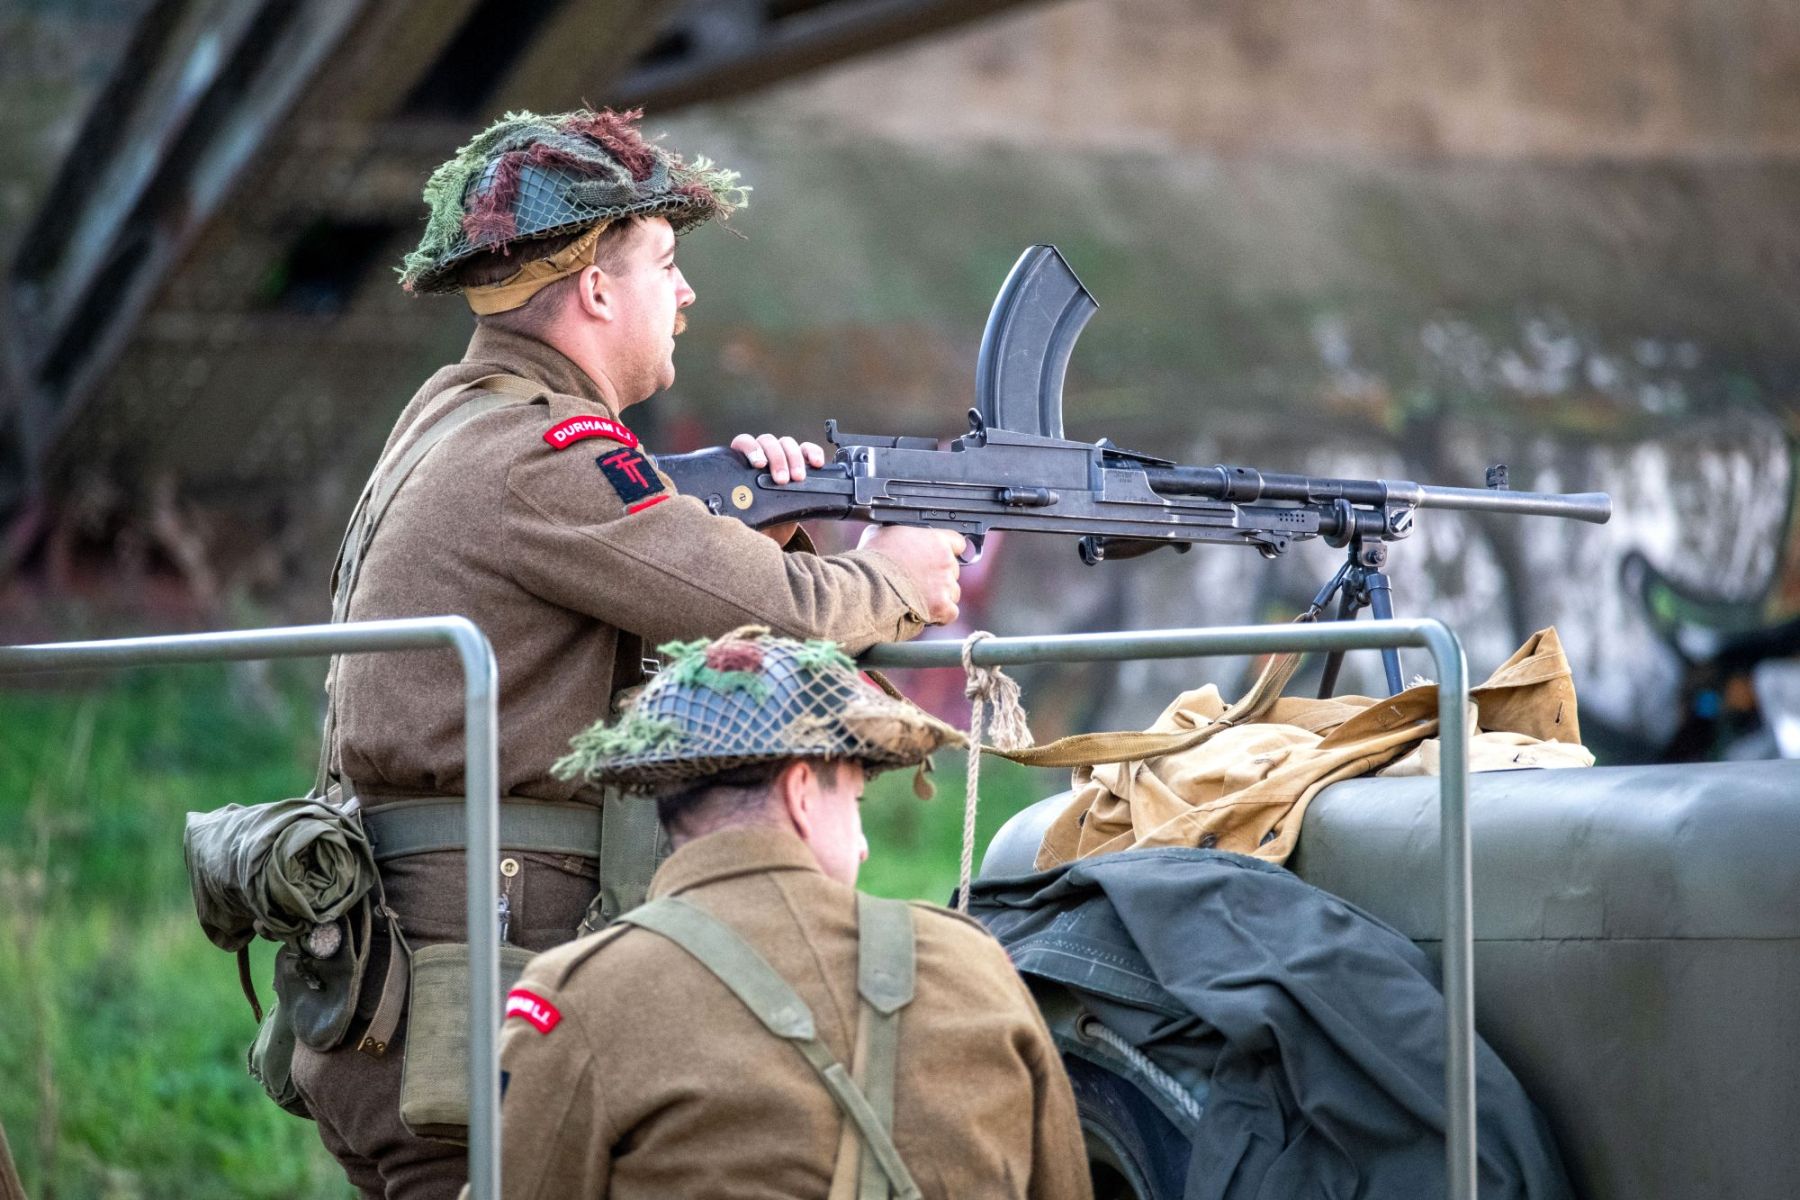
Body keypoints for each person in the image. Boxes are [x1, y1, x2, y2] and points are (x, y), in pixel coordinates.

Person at [290, 107, 965, 1199]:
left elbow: (679, 607)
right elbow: (779, 617)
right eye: (665, 263)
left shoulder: (458, 418)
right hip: (479, 986)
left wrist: (766, 523)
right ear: (598, 291)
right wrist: (892, 575)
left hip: (421, 969)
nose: (686, 293)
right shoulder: (542, 453)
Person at [482, 628, 1092, 1200]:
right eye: (854, 801)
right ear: (802, 793)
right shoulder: (974, 964)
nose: (863, 846)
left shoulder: (582, 993)